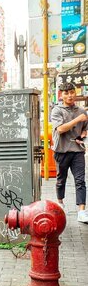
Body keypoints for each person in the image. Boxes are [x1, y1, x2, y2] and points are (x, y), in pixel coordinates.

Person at [51, 81, 88, 223]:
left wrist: (82, 136)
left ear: (75, 93)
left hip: (77, 151)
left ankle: (82, 211)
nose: (70, 95)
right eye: (66, 93)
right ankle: (60, 203)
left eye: (72, 92)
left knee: (80, 181)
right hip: (62, 151)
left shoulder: (81, 111)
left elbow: (85, 128)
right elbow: (60, 129)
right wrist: (78, 119)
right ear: (62, 95)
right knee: (61, 180)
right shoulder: (57, 110)